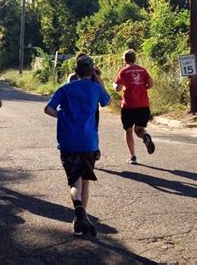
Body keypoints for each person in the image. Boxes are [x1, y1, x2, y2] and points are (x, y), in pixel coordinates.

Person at [45, 55, 110, 237]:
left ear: (75, 71)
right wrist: (98, 80)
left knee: (75, 183)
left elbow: (48, 109)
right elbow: (107, 101)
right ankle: (80, 220)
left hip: (68, 142)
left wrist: (63, 117)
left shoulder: (65, 89)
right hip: (89, 142)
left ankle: (78, 209)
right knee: (86, 181)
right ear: (92, 71)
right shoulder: (96, 89)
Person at [113, 49, 155, 165]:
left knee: (128, 130)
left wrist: (114, 85)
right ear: (134, 58)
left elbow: (118, 88)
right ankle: (145, 136)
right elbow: (151, 83)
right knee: (139, 129)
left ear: (125, 59)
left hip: (129, 105)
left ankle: (133, 156)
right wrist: (143, 88)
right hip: (143, 105)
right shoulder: (142, 70)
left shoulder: (124, 71)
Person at [67, 52, 102, 128]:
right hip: (79, 108)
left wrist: (97, 77)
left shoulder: (93, 77)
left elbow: (102, 91)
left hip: (91, 109)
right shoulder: (73, 77)